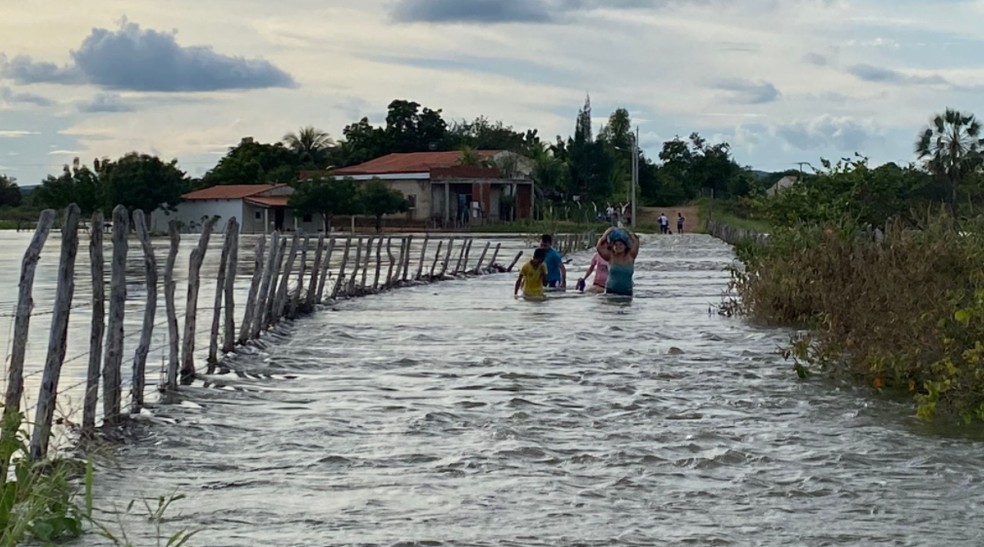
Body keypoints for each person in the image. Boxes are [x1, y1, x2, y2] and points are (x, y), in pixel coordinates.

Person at [596, 227, 639, 296]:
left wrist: (625, 230)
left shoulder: (631, 256)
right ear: (612, 246)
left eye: (620, 244)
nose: (618, 246)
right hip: (611, 291)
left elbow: (636, 240)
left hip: (627, 292)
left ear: (626, 246)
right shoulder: (610, 257)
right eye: (616, 245)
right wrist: (607, 232)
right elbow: (599, 247)